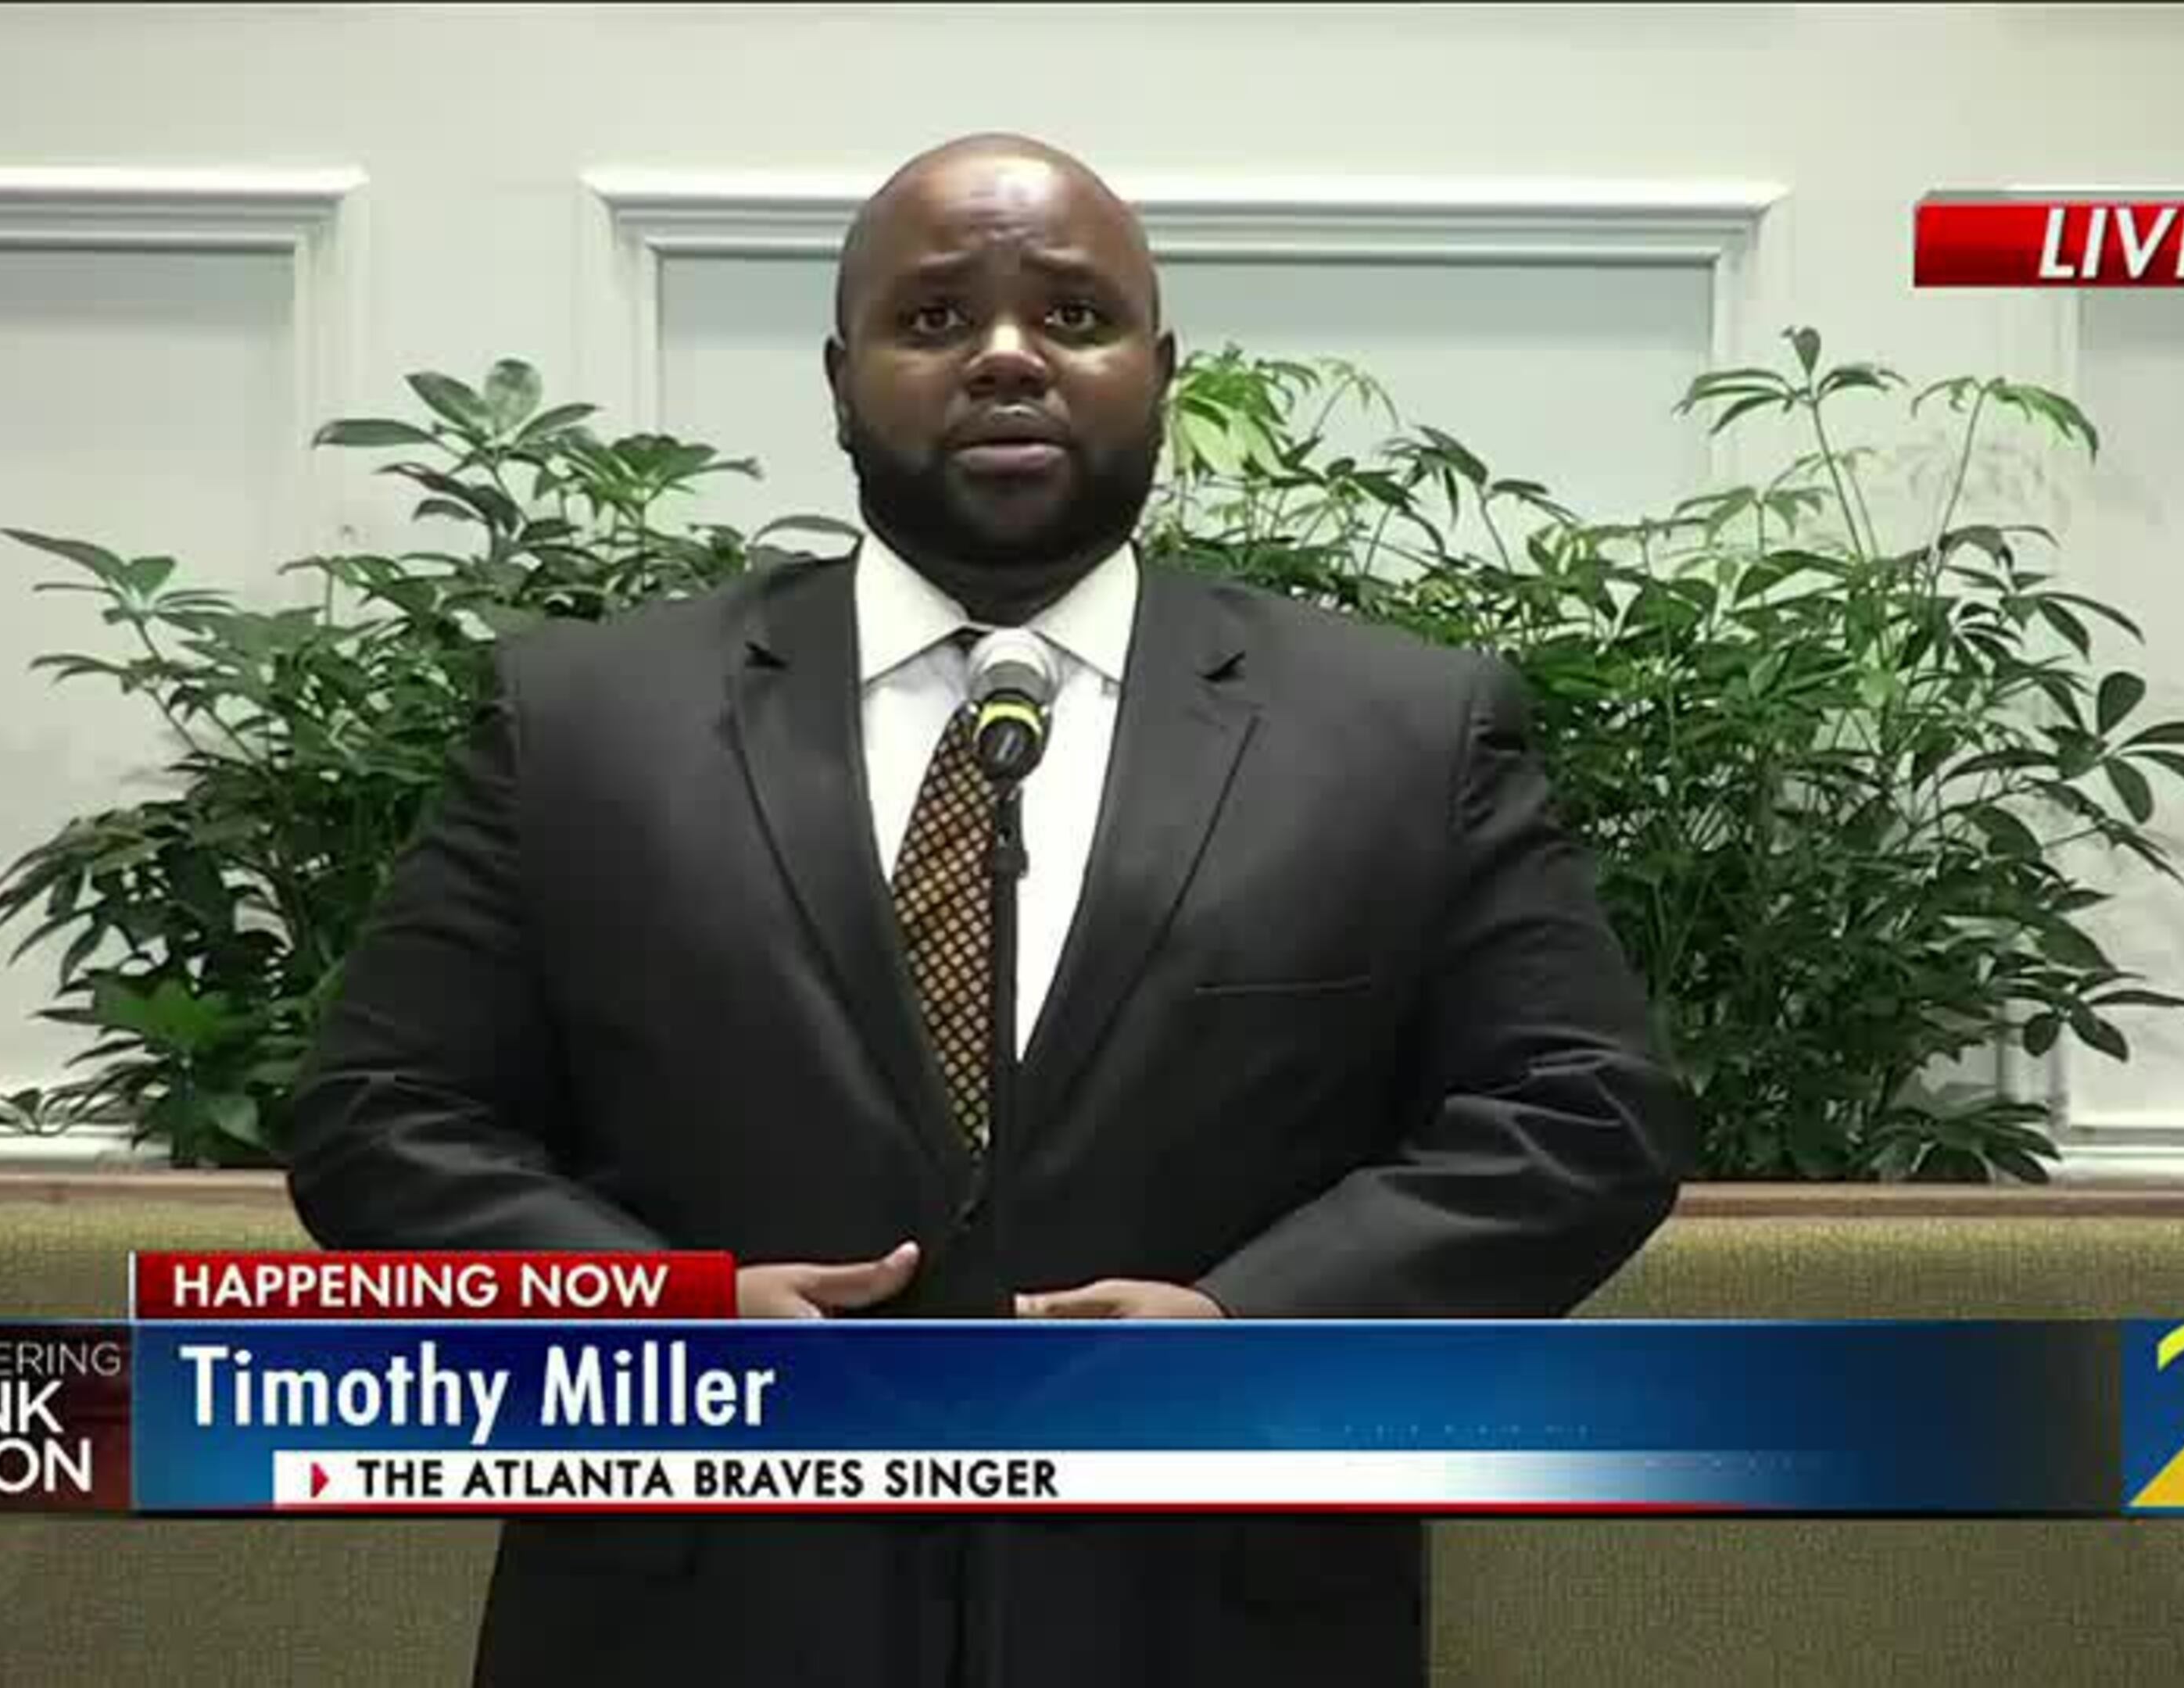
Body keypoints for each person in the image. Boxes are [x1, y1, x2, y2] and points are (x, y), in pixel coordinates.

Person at [285, 131, 1695, 1688]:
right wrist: (666, 1325)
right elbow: (383, 1113)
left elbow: (1581, 1116)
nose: (1010, 359)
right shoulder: (588, 719)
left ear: (1164, 370)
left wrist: (1250, 1322)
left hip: (1210, 1610)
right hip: (704, 1612)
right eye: (939, 319)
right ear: (839, 379)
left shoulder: (1396, 730)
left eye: (1076, 320)